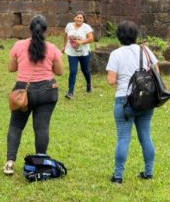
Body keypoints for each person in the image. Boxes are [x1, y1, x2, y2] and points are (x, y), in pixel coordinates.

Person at [3, 14, 64, 175]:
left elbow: (11, 68)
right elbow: (60, 71)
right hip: (47, 91)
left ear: (29, 29)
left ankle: (10, 162)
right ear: (46, 30)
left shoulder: (18, 45)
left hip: (24, 90)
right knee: (41, 127)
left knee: (16, 126)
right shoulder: (52, 48)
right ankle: (40, 162)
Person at [106, 20, 159, 184]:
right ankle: (149, 172)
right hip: (146, 99)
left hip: (124, 100)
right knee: (146, 136)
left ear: (119, 36)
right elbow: (157, 71)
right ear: (135, 35)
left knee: (123, 137)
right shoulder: (146, 50)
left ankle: (118, 175)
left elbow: (111, 80)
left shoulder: (116, 54)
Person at [62, 11, 94, 99]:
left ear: (83, 20)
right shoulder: (69, 26)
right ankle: (70, 92)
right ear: (74, 18)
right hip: (72, 53)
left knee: (85, 70)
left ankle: (89, 84)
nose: (79, 19)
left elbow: (91, 39)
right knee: (73, 71)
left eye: (81, 18)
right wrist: (64, 46)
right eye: (77, 17)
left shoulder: (86, 27)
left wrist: (81, 42)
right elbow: (65, 36)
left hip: (84, 53)